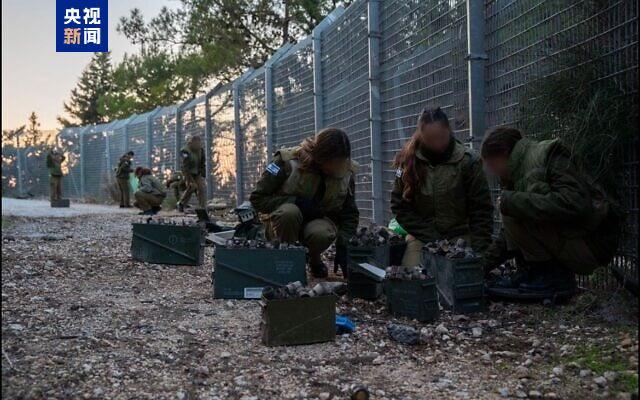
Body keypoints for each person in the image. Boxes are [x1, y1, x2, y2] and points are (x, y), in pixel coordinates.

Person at [481, 127, 620, 299]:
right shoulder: (517, 172)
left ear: (504, 153)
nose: (492, 172)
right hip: (574, 240)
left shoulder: (547, 156)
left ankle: (551, 276)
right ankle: (535, 273)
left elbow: (575, 203)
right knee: (509, 205)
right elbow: (511, 232)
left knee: (510, 204)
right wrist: (482, 265)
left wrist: (516, 201)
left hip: (592, 244)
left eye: (492, 165)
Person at [249, 128, 359, 278]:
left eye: (341, 162)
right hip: (282, 223)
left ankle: (314, 259)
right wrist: (295, 201)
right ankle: (284, 260)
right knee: (289, 213)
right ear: (322, 157)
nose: (337, 167)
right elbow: (257, 198)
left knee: (321, 234)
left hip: (317, 223)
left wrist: (343, 244)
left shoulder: (346, 173)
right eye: (334, 163)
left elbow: (349, 213)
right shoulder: (287, 162)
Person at [390, 107, 493, 266]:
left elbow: (481, 210)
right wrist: (428, 235)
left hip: (460, 236)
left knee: (460, 275)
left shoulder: (468, 162)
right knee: (413, 276)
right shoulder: (407, 162)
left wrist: (480, 252)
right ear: (421, 136)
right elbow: (399, 206)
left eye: (441, 137)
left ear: (449, 131)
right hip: (422, 236)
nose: (438, 144)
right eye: (431, 139)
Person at [177, 134, 206, 212]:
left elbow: (202, 163)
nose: (198, 145)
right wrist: (188, 179)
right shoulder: (184, 151)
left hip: (197, 172)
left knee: (200, 189)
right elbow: (185, 166)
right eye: (196, 143)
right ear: (191, 143)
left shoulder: (201, 150)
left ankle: (202, 208)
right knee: (192, 187)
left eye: (199, 143)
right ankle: (181, 203)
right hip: (187, 172)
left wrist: (202, 173)